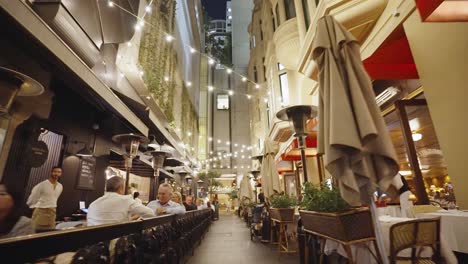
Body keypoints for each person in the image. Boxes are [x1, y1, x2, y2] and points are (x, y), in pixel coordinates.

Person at [87, 176, 154, 226]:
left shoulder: (93, 204)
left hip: (92, 243)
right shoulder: (125, 200)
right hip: (115, 242)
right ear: (121, 188)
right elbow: (150, 213)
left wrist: (129, 219)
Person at [27, 166, 63, 231]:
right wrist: (36, 206)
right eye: (55, 171)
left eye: (59, 172)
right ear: (51, 172)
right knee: (34, 232)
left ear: (61, 174)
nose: (56, 174)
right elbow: (32, 198)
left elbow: (55, 198)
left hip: (52, 212)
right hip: (40, 211)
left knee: (49, 233)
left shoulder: (60, 186)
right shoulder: (42, 185)